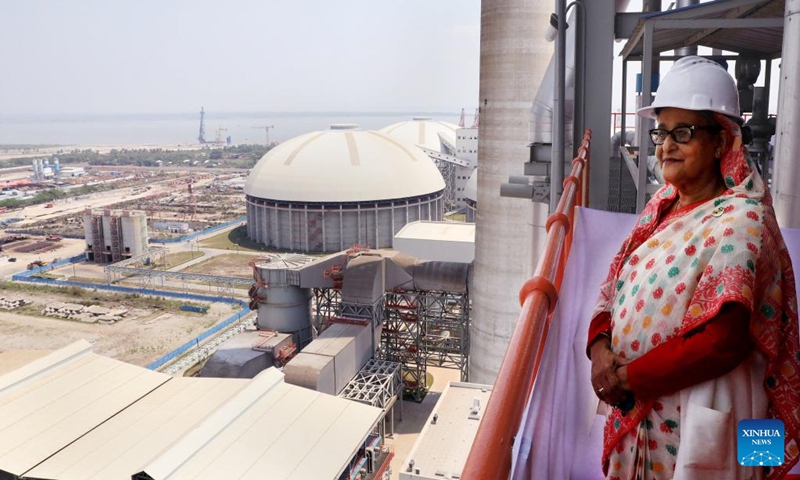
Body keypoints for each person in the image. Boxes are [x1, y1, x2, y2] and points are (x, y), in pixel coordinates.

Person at [587, 56, 800, 479]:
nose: (666, 146)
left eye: (682, 133)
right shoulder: (660, 207)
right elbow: (614, 284)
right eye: (661, 132)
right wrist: (598, 350)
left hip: (698, 417)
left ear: (722, 142)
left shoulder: (741, 220)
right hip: (638, 417)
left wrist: (627, 379)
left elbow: (724, 341)